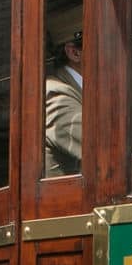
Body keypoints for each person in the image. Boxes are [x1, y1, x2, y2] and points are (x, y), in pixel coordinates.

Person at [43, 29, 84, 176]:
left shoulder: (84, 91)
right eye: (108, 43)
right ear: (74, 53)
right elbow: (110, 153)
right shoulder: (55, 96)